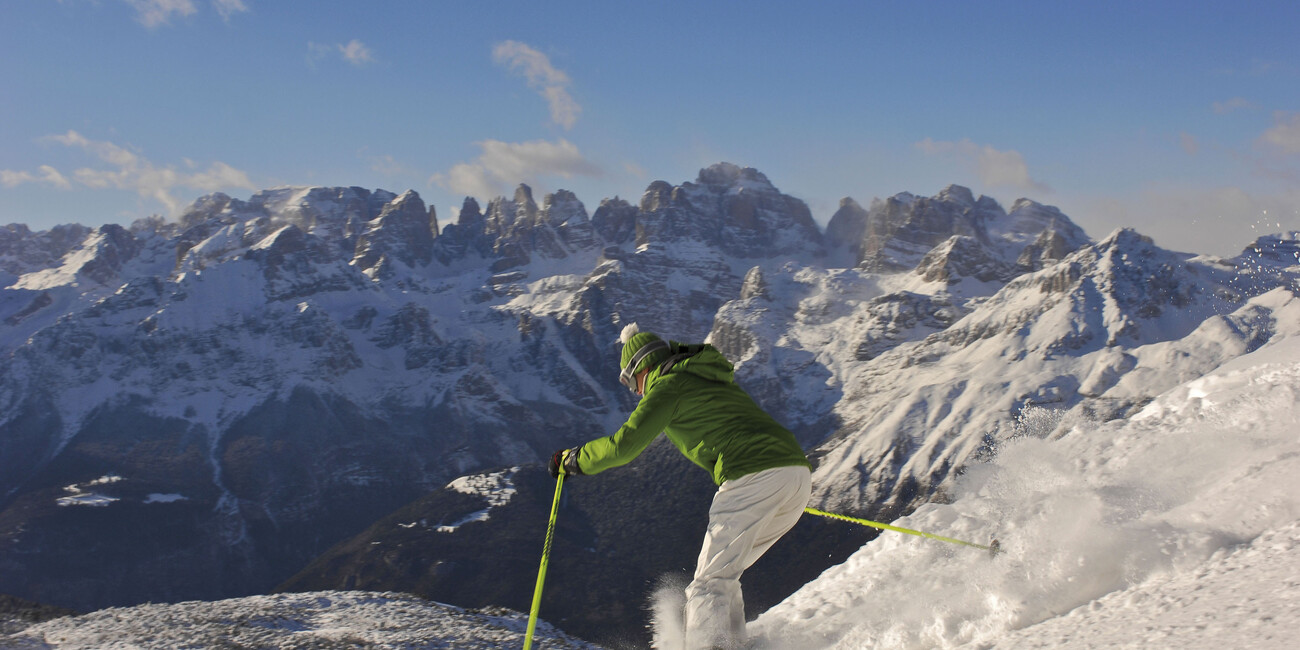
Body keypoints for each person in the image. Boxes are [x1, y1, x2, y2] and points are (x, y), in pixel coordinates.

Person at [550, 323, 812, 650]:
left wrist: (574, 460)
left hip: (755, 475)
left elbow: (623, 447)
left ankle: (709, 646)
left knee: (709, 584)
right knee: (723, 574)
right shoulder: (706, 376)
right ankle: (734, 644)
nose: (634, 392)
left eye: (629, 381)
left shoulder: (668, 386)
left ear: (641, 369)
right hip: (795, 474)